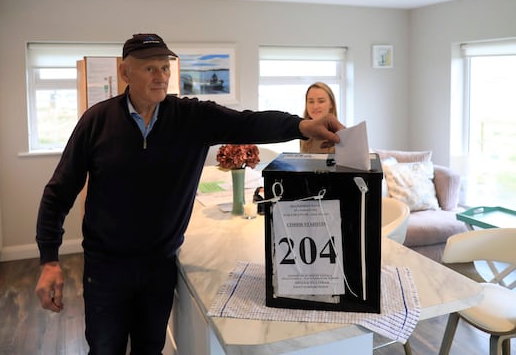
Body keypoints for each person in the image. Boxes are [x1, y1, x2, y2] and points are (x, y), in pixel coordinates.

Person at [35, 33, 345, 355]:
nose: (161, 76)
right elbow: (59, 192)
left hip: (159, 265)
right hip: (106, 267)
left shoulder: (191, 118)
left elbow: (248, 122)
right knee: (104, 348)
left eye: (165, 68)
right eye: (150, 69)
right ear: (126, 74)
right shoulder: (97, 121)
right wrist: (49, 260)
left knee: (150, 348)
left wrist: (301, 127)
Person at [299, 82, 339, 154]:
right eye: (311, 101)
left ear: (331, 104)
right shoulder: (303, 136)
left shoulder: (341, 136)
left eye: (321, 101)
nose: (315, 106)